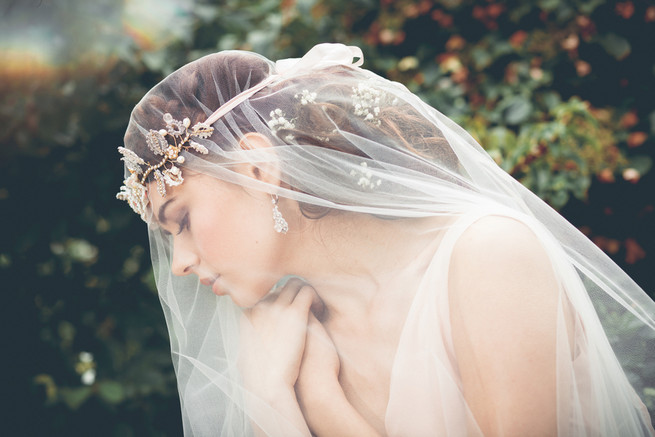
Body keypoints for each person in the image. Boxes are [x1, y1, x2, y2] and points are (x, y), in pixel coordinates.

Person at [116, 43, 655, 436]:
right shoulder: (283, 342)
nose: (179, 263)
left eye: (181, 220)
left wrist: (316, 406)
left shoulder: (489, 257)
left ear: (258, 169)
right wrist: (268, 399)